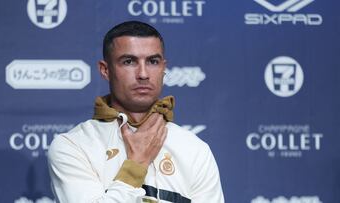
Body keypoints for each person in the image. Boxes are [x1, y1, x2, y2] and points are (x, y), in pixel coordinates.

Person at [48, 21, 225, 203]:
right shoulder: (73, 146)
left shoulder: (195, 149)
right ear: (105, 70)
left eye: (153, 61)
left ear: (164, 68)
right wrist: (136, 164)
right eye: (129, 61)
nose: (143, 74)